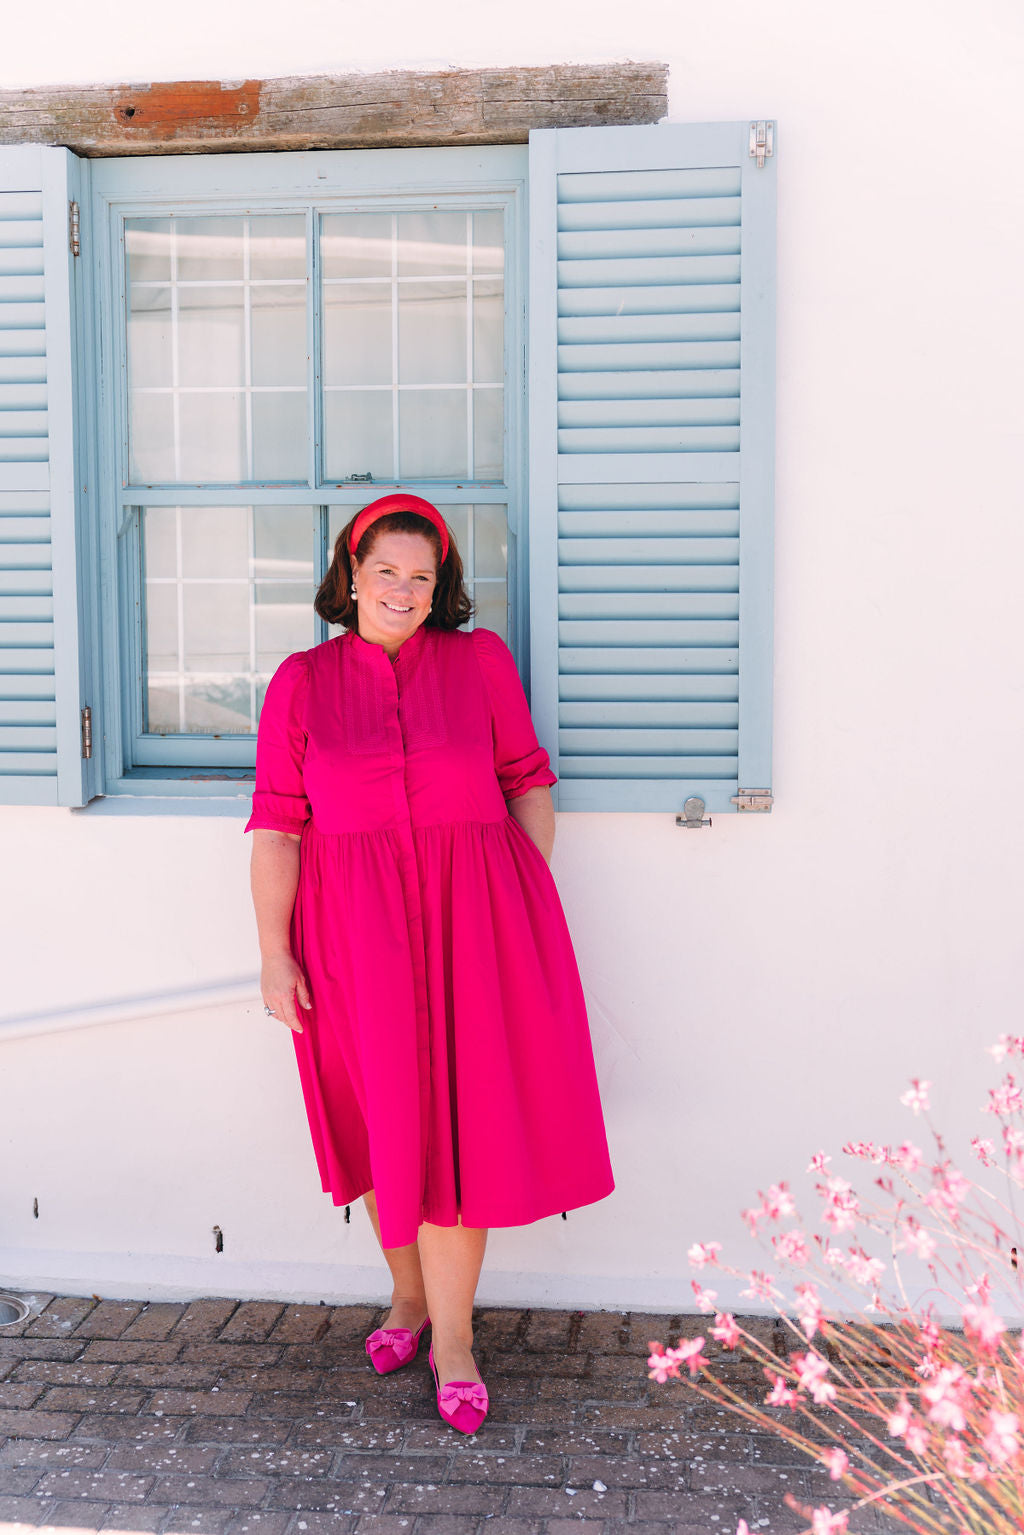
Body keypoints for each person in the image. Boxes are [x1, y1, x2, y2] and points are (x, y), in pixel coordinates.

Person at [245, 493, 614, 1433]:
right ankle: (407, 1300)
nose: (404, 589)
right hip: (351, 934)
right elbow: (279, 829)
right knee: (386, 1124)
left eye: (423, 575)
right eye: (386, 571)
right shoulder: (300, 681)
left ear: (440, 584)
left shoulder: (479, 661)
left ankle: (455, 1338)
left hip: (475, 927)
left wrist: (520, 901)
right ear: (351, 576)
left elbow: (527, 780)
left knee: (463, 1128)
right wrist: (275, 954)